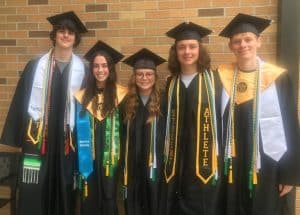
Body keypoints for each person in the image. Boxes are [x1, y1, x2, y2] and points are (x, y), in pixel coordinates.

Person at [0, 11, 87, 215]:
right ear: (54, 35)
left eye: (70, 33)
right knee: (34, 185)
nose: (66, 35)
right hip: (37, 138)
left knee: (66, 185)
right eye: (61, 31)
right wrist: (17, 136)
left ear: (76, 38)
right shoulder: (35, 66)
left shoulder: (83, 70)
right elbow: (21, 101)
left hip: (68, 141)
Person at [217, 13, 300, 215]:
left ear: (259, 41)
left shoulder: (278, 77)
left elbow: (290, 124)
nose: (243, 45)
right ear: (231, 46)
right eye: (237, 41)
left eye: (248, 39)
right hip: (232, 161)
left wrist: (288, 175)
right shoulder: (220, 77)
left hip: (269, 163)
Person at [162, 22, 224, 215]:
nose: (187, 51)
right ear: (175, 52)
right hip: (176, 163)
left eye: (192, 46)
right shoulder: (170, 84)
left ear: (200, 49)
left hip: (204, 164)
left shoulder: (216, 81)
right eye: (182, 47)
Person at [74, 40, 127, 215]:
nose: (100, 70)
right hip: (88, 159)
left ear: (110, 69)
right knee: (89, 198)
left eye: (104, 66)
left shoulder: (122, 96)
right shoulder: (82, 97)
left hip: (110, 161)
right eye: (96, 66)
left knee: (109, 197)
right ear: (91, 70)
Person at [122, 48, 166, 215]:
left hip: (156, 166)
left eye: (149, 74)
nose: (144, 78)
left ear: (155, 77)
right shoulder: (127, 102)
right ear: (134, 77)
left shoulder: (164, 100)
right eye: (140, 74)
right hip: (133, 167)